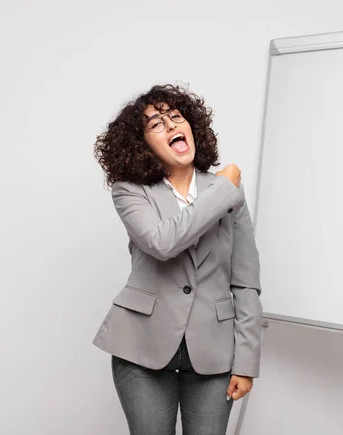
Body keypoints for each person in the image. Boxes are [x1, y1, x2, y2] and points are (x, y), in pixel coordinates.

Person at [92, 83, 263, 435]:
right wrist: (222, 191)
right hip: (141, 349)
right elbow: (162, 241)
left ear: (191, 127)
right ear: (142, 145)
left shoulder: (227, 190)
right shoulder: (130, 191)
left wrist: (247, 361)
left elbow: (245, 281)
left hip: (214, 351)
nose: (170, 125)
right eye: (155, 123)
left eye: (175, 116)